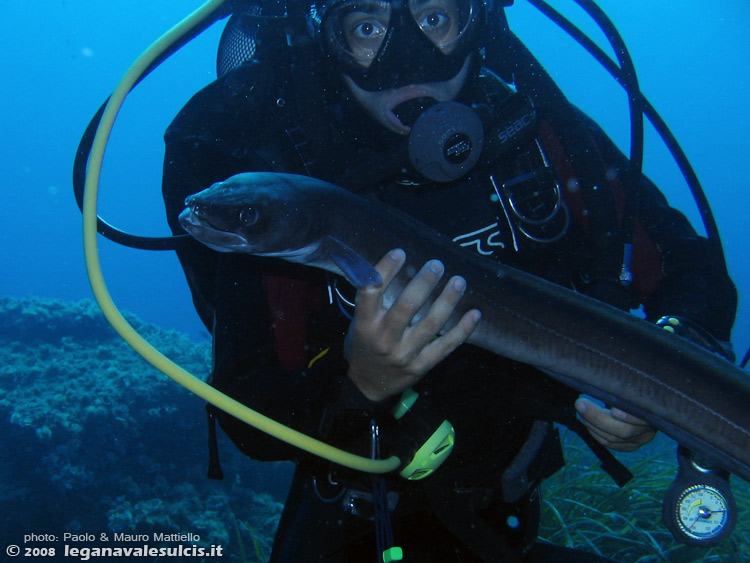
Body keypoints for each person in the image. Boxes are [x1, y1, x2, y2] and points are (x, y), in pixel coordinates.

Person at [161, 1, 737, 560]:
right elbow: (251, 417)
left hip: (511, 509)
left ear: (479, 21)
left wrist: (660, 380)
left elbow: (690, 266)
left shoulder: (536, 138)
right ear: (323, 38)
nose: (406, 57)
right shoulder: (286, 180)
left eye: (434, 18)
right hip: (352, 528)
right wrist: (358, 379)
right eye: (367, 26)